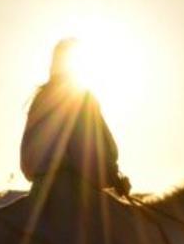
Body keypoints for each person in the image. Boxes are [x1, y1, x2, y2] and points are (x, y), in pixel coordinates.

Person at [21, 38, 129, 197]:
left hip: (39, 190)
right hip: (75, 192)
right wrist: (113, 178)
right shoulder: (80, 97)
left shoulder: (40, 97)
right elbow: (86, 149)